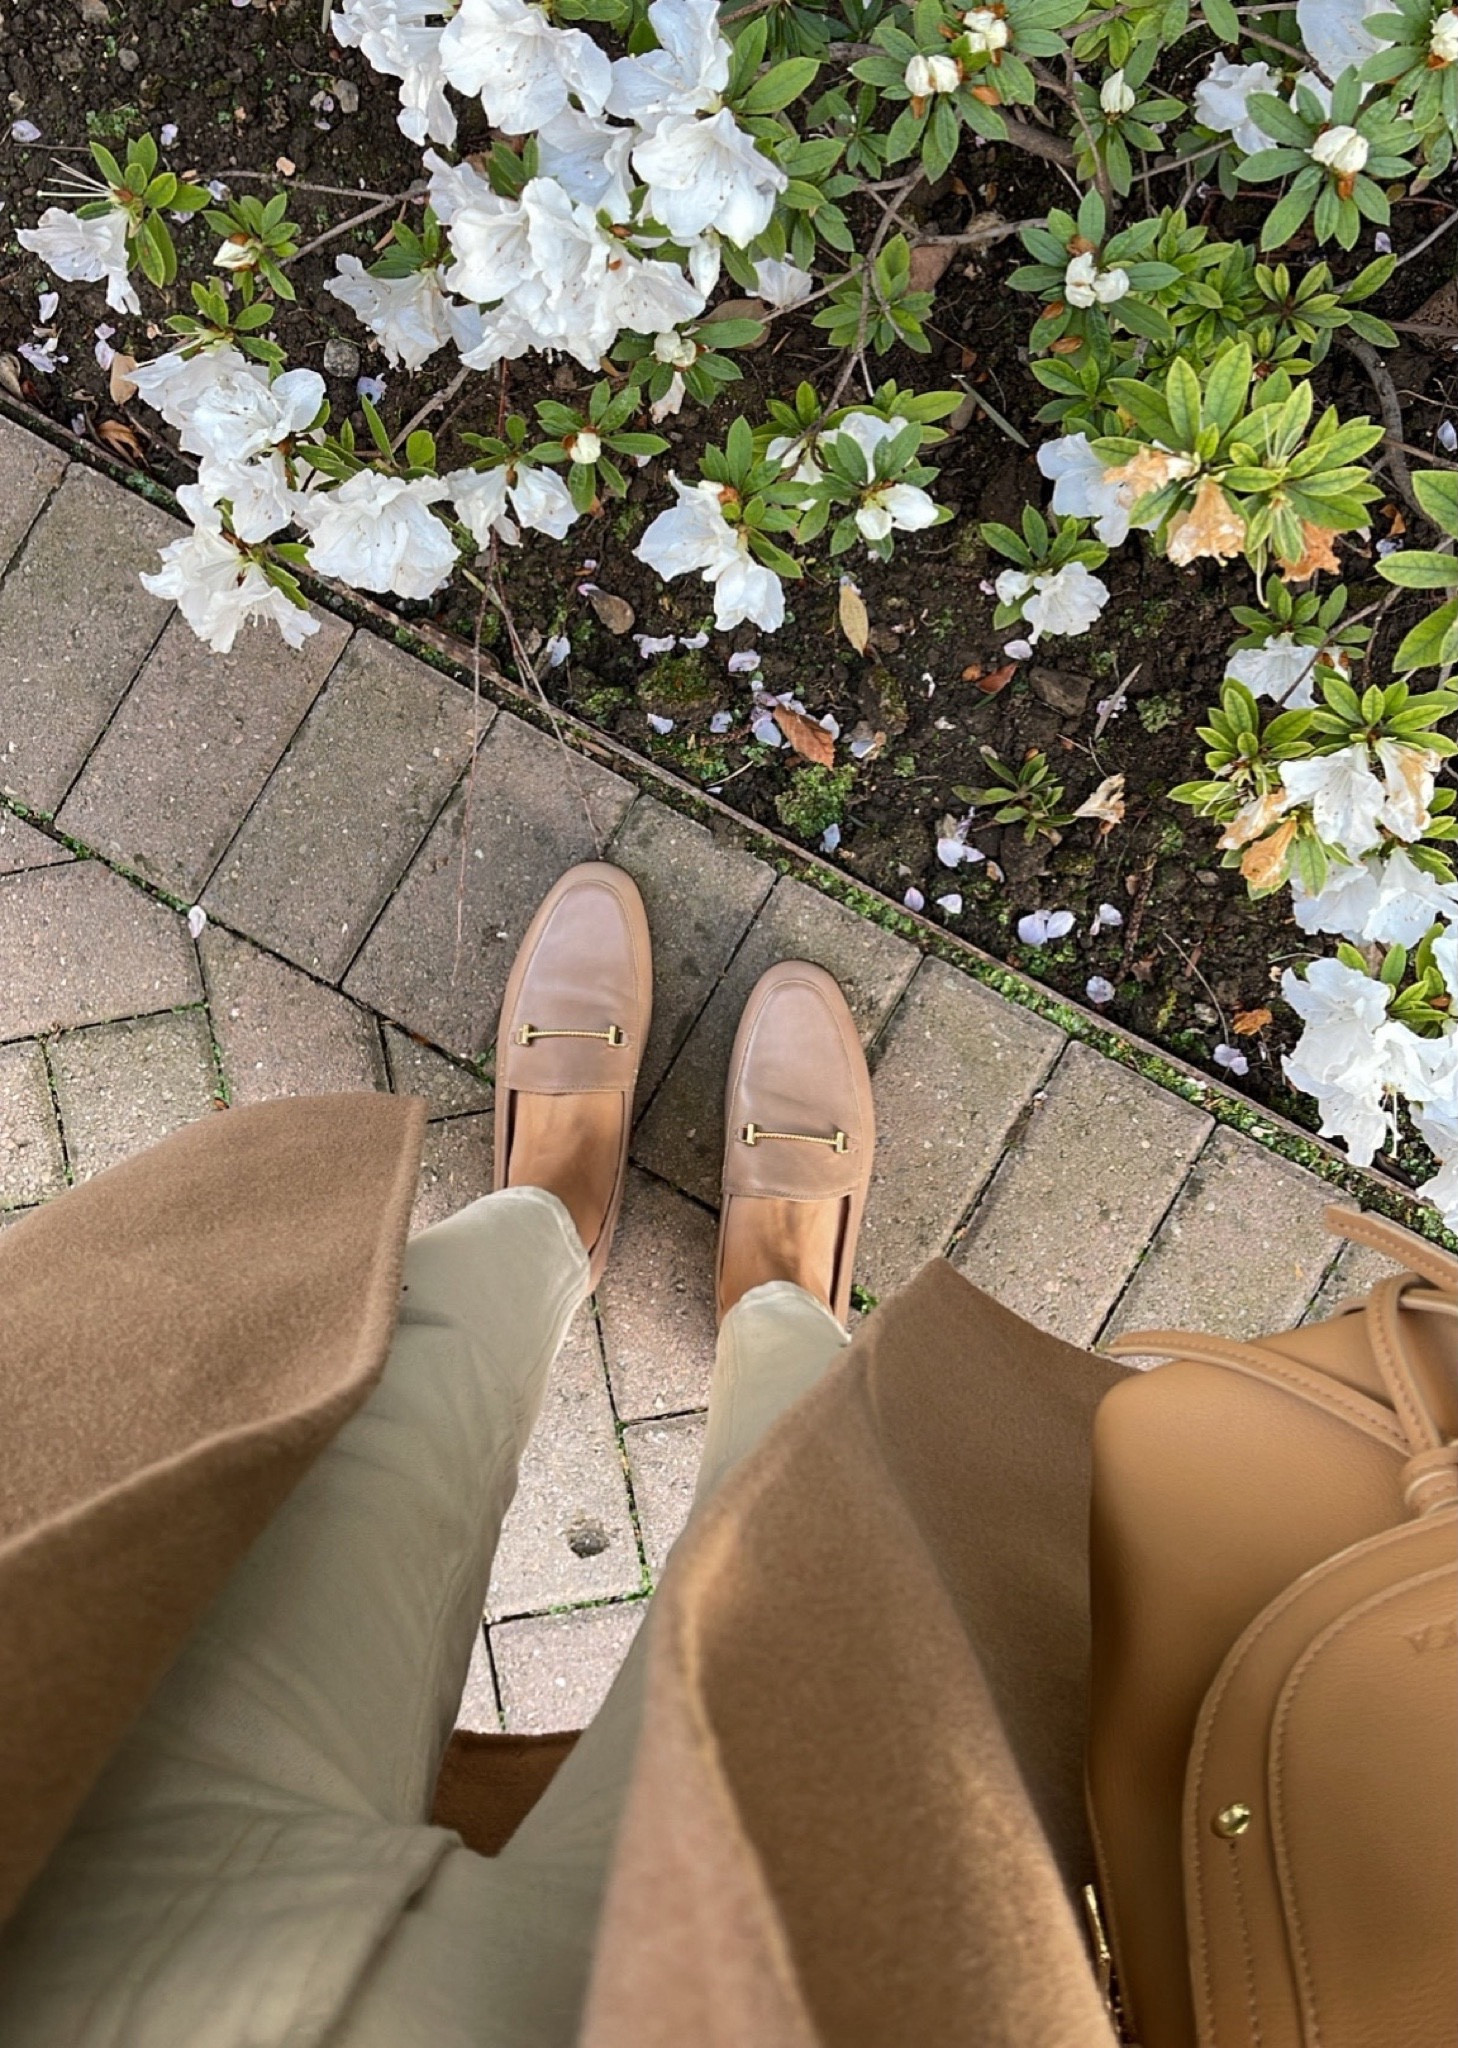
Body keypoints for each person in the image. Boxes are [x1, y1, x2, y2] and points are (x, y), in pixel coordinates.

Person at [0, 861, 946, 2046]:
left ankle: (551, 1212)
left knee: (372, 1412)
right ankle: (780, 1307)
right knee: (801, 1572)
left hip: (58, 1900)